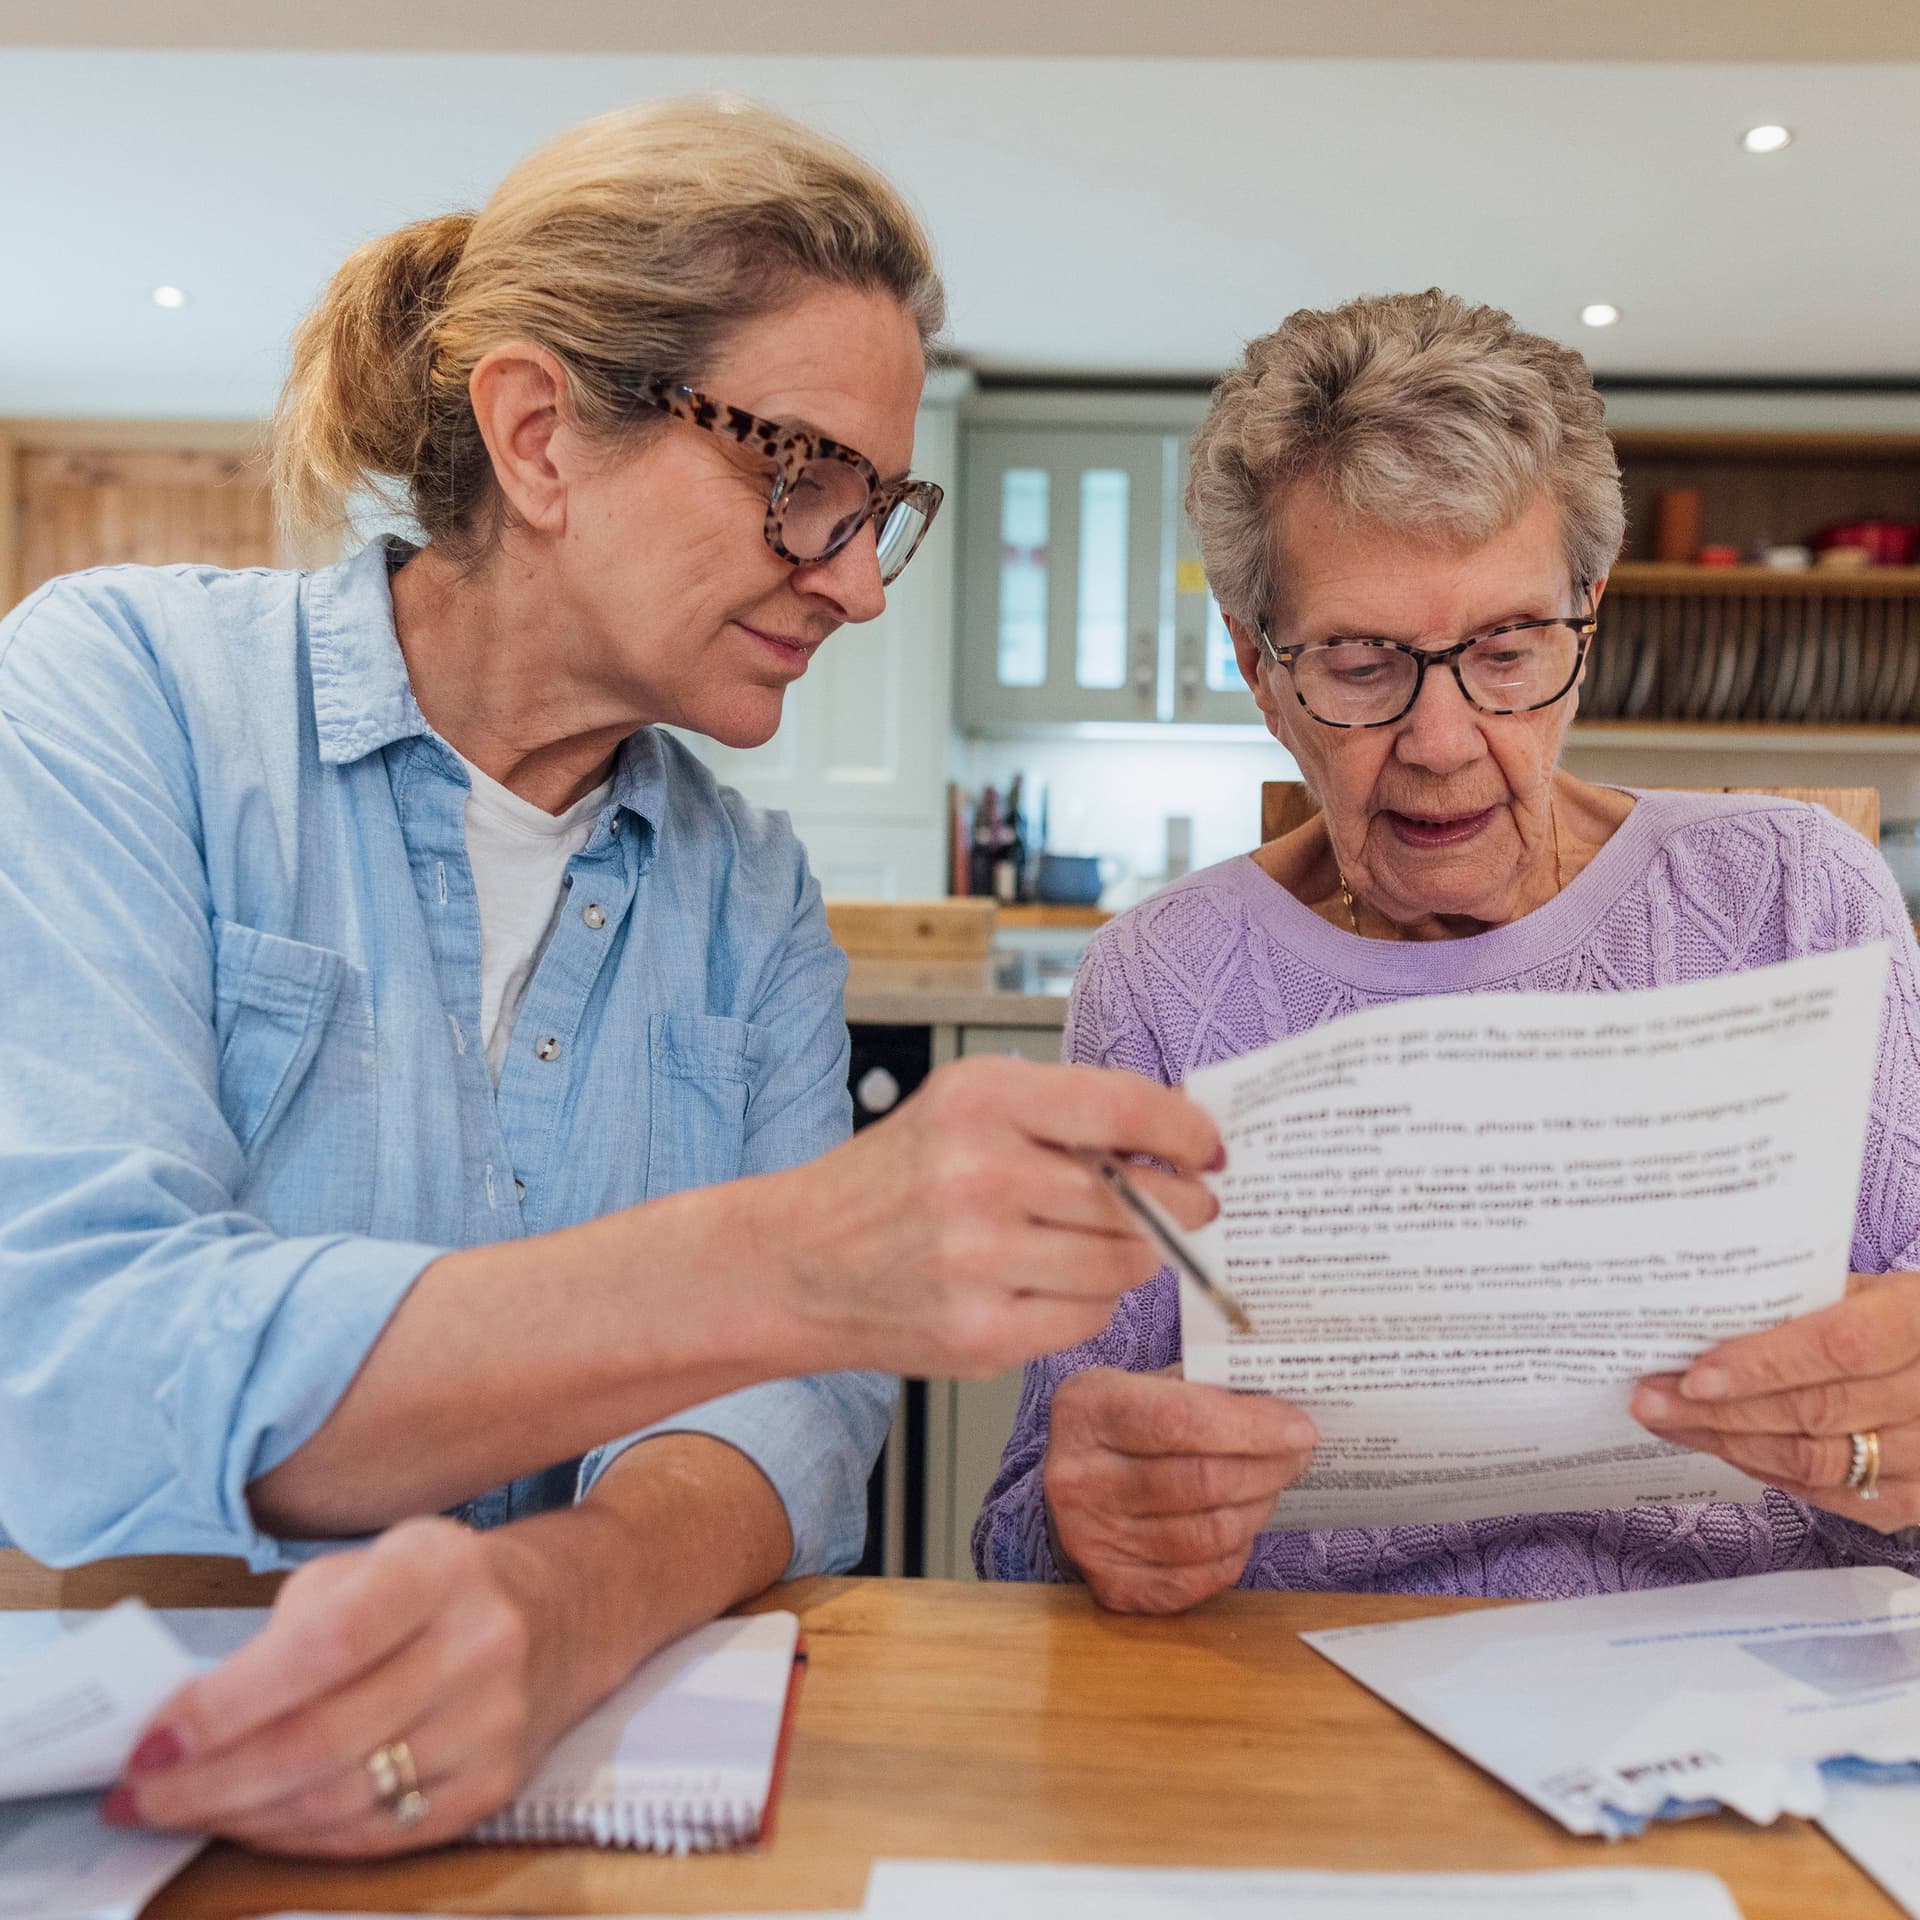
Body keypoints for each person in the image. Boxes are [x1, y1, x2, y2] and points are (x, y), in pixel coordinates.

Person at [0, 98, 1222, 1857]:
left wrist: (567, 1602)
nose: (860, 583)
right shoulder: (129, 699)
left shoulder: (748, 891)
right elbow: (79, 1369)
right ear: (539, 435)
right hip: (183, 1803)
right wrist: (796, 1260)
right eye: (802, 479)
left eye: (883, 508)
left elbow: (793, 1417)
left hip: (593, 1819)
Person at [976, 289, 1920, 1613]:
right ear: (1258, 667)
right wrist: (1097, 1520)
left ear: (1585, 623)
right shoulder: (1162, 982)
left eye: (1508, 648)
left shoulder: (1791, 903)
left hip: (1729, 1701)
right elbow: (1026, 1523)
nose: (1440, 739)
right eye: (1361, 663)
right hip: (1298, 1708)